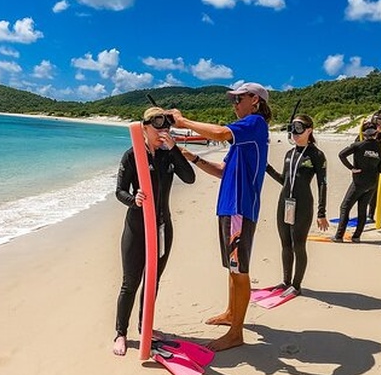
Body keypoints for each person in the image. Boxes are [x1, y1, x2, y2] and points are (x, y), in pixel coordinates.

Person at [174, 82, 271, 352]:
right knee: (232, 267)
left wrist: (182, 121)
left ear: (255, 100)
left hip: (240, 207)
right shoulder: (243, 137)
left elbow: (218, 132)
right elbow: (221, 170)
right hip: (229, 206)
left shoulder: (255, 123)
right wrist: (192, 157)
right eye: (233, 99)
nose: (234, 103)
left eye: (239, 98)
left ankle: (236, 333)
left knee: (239, 271)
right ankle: (231, 314)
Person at [113, 107, 196, 356]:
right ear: (144, 128)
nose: (163, 132)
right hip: (137, 228)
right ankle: (121, 333)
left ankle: (144, 326)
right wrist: (133, 199)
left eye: (166, 127)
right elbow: (119, 191)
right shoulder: (132, 156)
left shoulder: (168, 155)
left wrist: (173, 151)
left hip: (162, 227)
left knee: (153, 280)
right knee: (131, 282)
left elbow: (190, 178)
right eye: (158, 127)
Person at [265, 114, 328, 295]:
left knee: (298, 245)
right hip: (285, 203)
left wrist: (321, 212)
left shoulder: (316, 155)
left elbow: (323, 183)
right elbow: (284, 181)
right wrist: (267, 168)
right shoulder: (289, 154)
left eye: (298, 129)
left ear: (309, 130)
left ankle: (296, 285)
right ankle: (285, 282)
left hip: (303, 204)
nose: (294, 134)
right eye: (292, 129)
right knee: (285, 243)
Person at [331, 124, 381, 243]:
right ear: (376, 134)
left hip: (359, 183)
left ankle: (339, 236)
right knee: (362, 210)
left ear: (364, 134)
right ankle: (356, 236)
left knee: (345, 207)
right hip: (372, 183)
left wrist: (351, 168)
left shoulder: (358, 145)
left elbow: (341, 154)